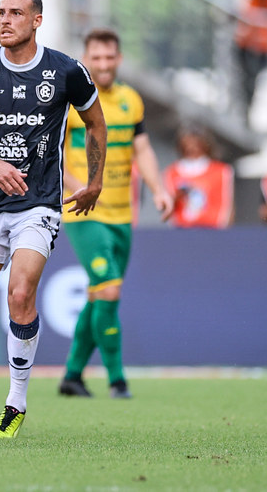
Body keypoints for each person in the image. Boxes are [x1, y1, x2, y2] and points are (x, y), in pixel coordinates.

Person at [0, 0, 107, 439]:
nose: (5, 20)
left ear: (37, 21)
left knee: (20, 293)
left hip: (39, 203)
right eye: (1, 13)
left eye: (16, 13)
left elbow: (96, 122)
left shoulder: (67, 71)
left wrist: (95, 180)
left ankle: (15, 404)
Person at [59, 28, 173, 400]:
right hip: (84, 212)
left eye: (110, 58)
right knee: (108, 288)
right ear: (86, 59)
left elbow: (143, 150)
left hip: (123, 214)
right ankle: (117, 380)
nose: (104, 65)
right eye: (97, 58)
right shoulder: (70, 100)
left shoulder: (130, 101)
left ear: (118, 60)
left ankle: (72, 376)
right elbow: (52, 153)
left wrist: (158, 189)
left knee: (101, 295)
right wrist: (76, 182)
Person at [163, 125, 234, 228]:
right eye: (188, 142)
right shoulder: (171, 172)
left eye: (196, 142)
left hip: (213, 230)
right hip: (182, 230)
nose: (191, 146)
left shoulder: (221, 171)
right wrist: (179, 195)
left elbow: (228, 207)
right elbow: (167, 208)